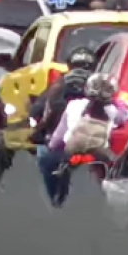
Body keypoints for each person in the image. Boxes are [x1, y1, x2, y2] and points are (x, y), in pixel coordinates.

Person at [46, 73, 128, 205]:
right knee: (117, 172)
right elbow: (125, 117)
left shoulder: (74, 105)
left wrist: (52, 145)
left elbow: (57, 140)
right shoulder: (113, 111)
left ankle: (57, 199)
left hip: (71, 152)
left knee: (56, 170)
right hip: (99, 153)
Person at [29, 48, 96, 201]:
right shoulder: (103, 87)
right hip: (93, 147)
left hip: (57, 147)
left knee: (45, 161)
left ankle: (51, 198)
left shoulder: (56, 87)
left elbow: (36, 112)